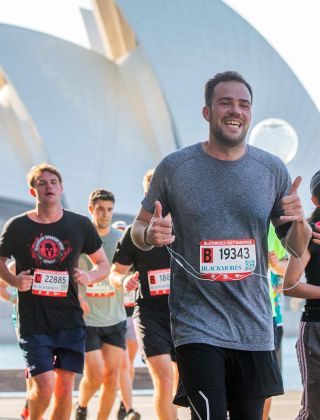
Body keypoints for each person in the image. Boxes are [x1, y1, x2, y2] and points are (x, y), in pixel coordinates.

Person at [130, 71, 311, 420]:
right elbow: (138, 228)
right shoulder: (175, 167)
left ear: (251, 114)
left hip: (253, 326)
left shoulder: (271, 170)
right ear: (207, 112)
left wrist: (299, 219)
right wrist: (149, 233)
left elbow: (296, 248)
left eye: (243, 104)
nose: (235, 111)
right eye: (225, 102)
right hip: (196, 325)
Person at [0, 163, 109, 420]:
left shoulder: (80, 224)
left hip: (69, 320)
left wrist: (89, 276)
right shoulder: (17, 226)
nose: (48, 186)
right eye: (42, 183)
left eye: (53, 182)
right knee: (45, 386)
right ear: (32, 191)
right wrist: (14, 281)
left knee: (63, 392)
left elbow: (103, 264)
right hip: (33, 321)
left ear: (61, 188)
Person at [110, 169, 179, 420]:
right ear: (145, 196)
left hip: (185, 313)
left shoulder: (187, 227)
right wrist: (124, 280)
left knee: (182, 380)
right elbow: (114, 273)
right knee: (163, 378)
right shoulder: (134, 233)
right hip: (150, 313)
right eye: (152, 193)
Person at [75, 190, 139, 420]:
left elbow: (127, 272)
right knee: (96, 375)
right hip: (87, 319)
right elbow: (65, 272)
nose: (105, 214)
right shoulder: (80, 238)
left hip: (115, 317)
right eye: (100, 209)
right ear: (90, 209)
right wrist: (77, 296)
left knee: (113, 376)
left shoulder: (120, 239)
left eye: (109, 209)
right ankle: (81, 406)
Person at [283, 169, 320, 420]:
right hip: (317, 329)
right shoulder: (307, 232)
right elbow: (290, 285)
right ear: (316, 200)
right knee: (315, 410)